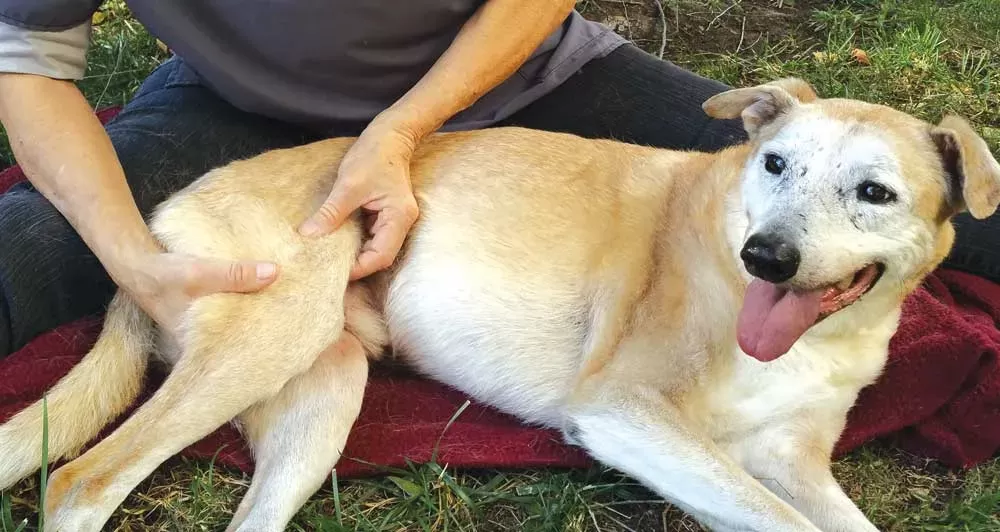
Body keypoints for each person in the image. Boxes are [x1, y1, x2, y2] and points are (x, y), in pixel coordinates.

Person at [0, 1, 995, 358]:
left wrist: (401, 127)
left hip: (519, 77)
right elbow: (28, 55)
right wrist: (130, 256)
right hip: (240, 103)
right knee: (42, 244)